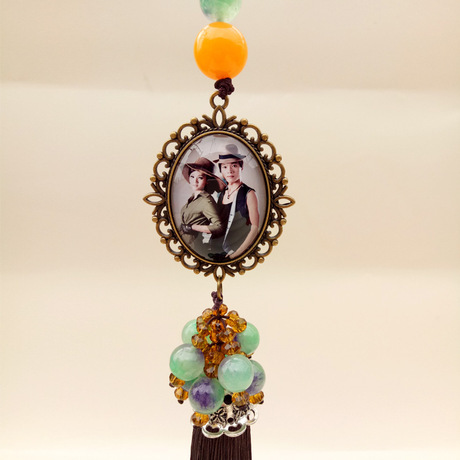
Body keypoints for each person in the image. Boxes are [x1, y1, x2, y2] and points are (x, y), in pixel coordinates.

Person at [212, 144, 259, 260]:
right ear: (221, 170)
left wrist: (235, 255)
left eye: (234, 165)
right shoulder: (222, 193)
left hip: (234, 252)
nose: (229, 170)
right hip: (215, 250)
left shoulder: (249, 194)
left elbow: (255, 229)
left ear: (241, 167)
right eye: (225, 167)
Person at [179, 157, 226, 257]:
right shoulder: (192, 198)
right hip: (184, 244)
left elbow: (219, 227)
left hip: (194, 248)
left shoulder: (206, 201)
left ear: (206, 181)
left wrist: (192, 227)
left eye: (200, 178)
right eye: (192, 176)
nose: (195, 181)